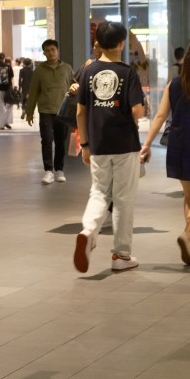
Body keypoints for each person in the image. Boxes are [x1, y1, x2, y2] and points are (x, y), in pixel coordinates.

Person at [73, 22, 145, 273]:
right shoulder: (127, 72)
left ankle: (88, 231)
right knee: (123, 198)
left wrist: (84, 144)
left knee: (99, 192)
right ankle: (121, 255)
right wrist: (141, 110)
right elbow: (137, 110)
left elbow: (80, 112)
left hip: (98, 143)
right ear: (121, 44)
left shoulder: (88, 71)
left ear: (99, 44)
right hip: (125, 144)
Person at [142, 41, 190, 265]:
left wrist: (147, 144)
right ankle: (186, 236)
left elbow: (160, 116)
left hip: (178, 144)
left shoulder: (174, 84)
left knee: (189, 196)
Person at [24, 40, 75, 184]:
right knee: (46, 140)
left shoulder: (67, 68)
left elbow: (73, 88)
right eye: (47, 50)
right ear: (44, 53)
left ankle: (59, 170)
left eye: (53, 49)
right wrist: (29, 111)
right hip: (45, 111)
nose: (50, 53)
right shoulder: (39, 70)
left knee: (60, 142)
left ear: (58, 51)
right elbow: (33, 91)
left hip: (62, 112)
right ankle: (48, 170)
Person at [0, 52, 14, 130]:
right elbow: (11, 77)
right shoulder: (8, 66)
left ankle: (1, 125)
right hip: (8, 89)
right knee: (9, 106)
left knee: (0, 107)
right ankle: (6, 122)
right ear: (4, 58)